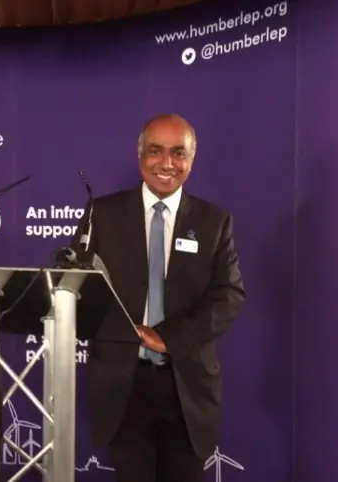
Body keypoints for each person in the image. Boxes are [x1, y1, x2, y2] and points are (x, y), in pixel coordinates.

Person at [70, 114, 246, 482]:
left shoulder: (215, 222)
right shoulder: (102, 214)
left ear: (191, 160)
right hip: (123, 386)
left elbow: (228, 295)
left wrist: (170, 338)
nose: (167, 163)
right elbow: (76, 287)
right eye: (156, 151)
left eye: (178, 153)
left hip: (186, 387)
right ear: (140, 157)